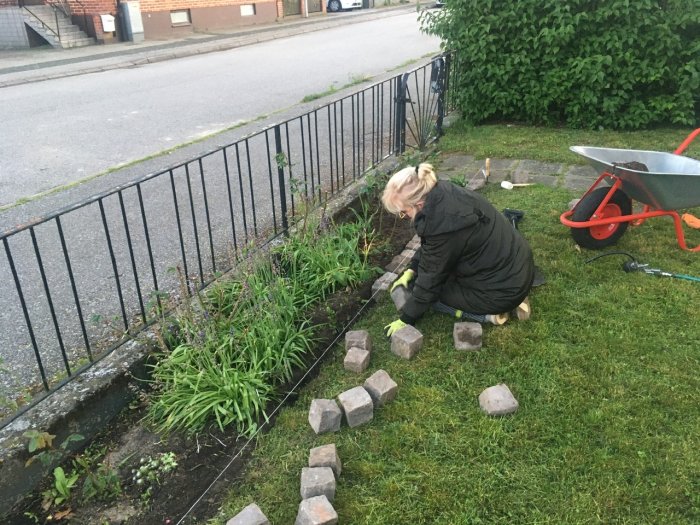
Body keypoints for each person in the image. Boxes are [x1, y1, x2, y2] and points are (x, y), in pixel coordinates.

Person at [382, 163, 534, 336]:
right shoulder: (443, 192)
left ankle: (488, 316)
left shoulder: (444, 225)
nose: (404, 217)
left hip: (502, 291)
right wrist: (412, 268)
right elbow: (432, 246)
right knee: (427, 277)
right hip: (517, 267)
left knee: (430, 290)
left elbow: (430, 280)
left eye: (403, 212)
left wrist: (406, 319)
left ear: (419, 204)